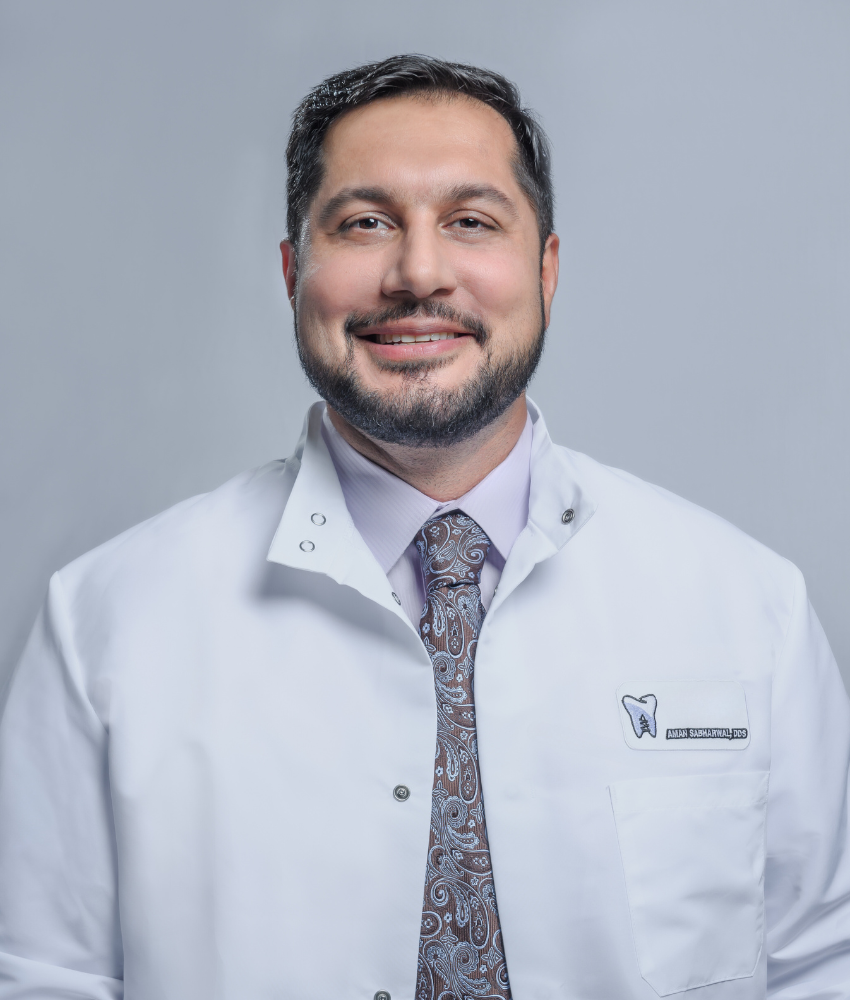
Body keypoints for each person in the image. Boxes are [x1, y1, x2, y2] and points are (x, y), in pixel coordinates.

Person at [0, 53, 847, 1000]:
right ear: (292, 273)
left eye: (471, 222)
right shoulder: (105, 624)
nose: (418, 272)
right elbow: (43, 981)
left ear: (546, 269)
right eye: (365, 223)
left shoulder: (747, 608)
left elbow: (822, 962)